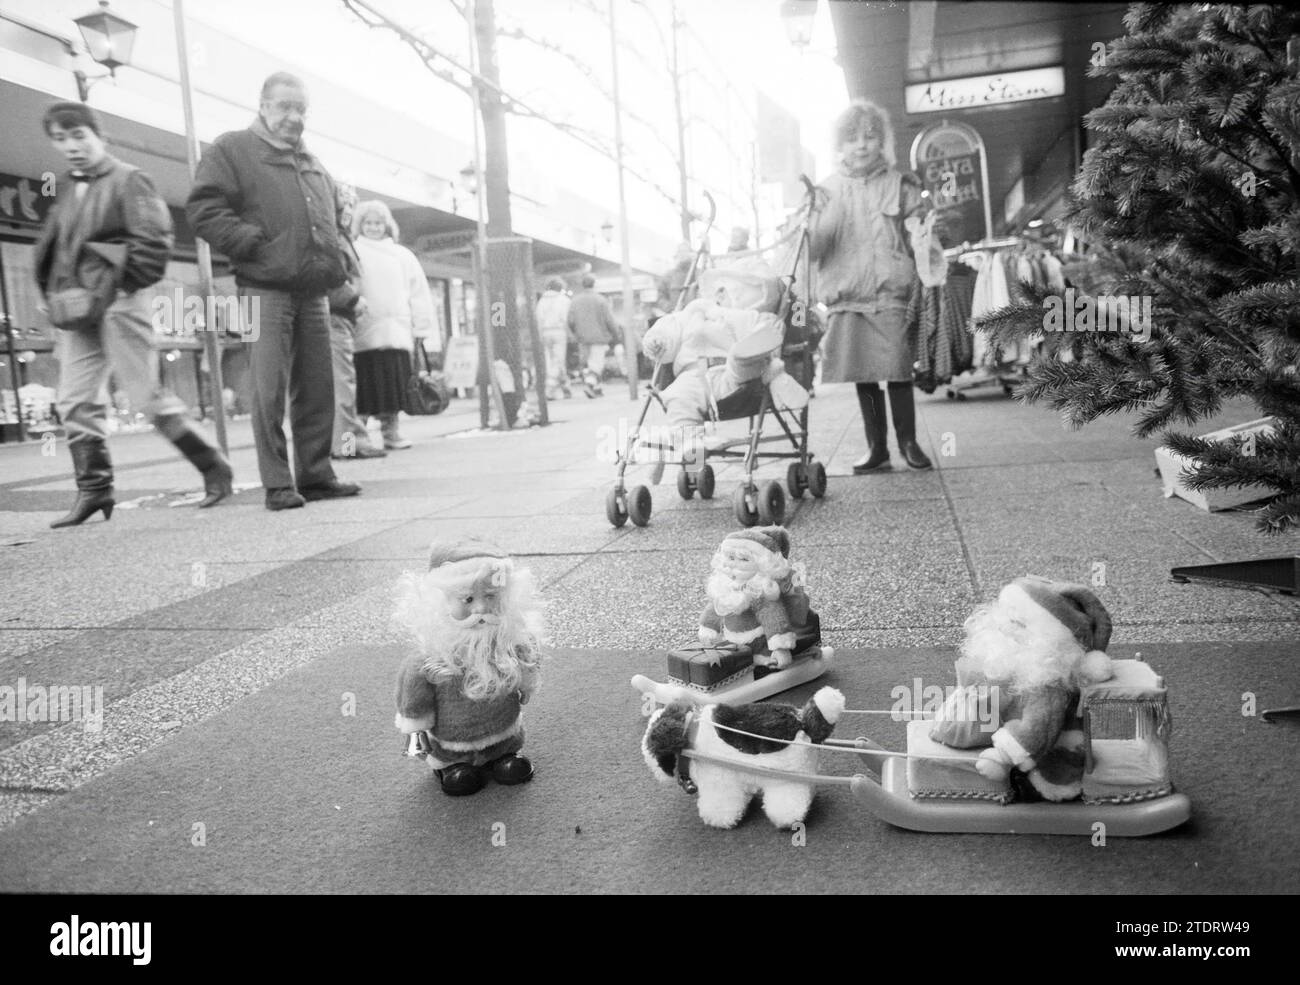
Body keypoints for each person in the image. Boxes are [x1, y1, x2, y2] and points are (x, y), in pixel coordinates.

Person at [34, 101, 233, 528]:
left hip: (121, 299)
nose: (70, 146)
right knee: (74, 399)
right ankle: (94, 491)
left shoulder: (128, 179)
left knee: (144, 395)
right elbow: (60, 248)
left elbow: (155, 240)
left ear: (98, 136)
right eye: (61, 138)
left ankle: (213, 467)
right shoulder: (67, 186)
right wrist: (51, 292)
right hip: (75, 307)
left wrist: (123, 284)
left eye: (78, 135)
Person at [186, 71, 360, 510]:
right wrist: (252, 244)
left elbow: (332, 225)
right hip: (263, 287)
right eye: (284, 106)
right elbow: (204, 210)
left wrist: (337, 269)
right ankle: (278, 483)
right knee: (268, 388)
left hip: (313, 290)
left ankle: (316, 475)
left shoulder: (313, 163)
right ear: (263, 105)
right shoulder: (232, 149)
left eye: (301, 108)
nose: (294, 116)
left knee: (318, 387)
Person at [808, 99, 933, 472]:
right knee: (863, 373)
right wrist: (812, 226)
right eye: (852, 139)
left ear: (882, 142)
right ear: (840, 146)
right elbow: (812, 248)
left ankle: (908, 442)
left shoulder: (900, 184)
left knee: (896, 367)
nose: (861, 145)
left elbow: (921, 233)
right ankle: (876, 447)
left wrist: (925, 235)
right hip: (847, 293)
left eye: (870, 137)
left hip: (890, 290)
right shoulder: (826, 191)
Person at [351, 200, 436, 450]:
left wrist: (421, 328)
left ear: (387, 225)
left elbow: (418, 293)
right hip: (363, 333)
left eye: (378, 223)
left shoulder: (403, 255)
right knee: (360, 391)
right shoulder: (354, 252)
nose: (374, 228)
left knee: (393, 387)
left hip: (397, 333)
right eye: (368, 223)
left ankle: (391, 434)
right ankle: (354, 441)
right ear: (360, 225)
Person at [327, 182, 385, 460]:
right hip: (336, 318)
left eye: (351, 204)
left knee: (340, 384)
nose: (347, 210)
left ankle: (343, 444)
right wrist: (353, 300)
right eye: (342, 204)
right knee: (343, 385)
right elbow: (331, 277)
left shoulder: (340, 237)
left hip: (341, 319)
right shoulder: (333, 238)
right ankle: (350, 445)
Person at [566, 274, 621, 397]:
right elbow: (609, 320)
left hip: (582, 338)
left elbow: (570, 321)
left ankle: (597, 388)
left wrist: (576, 334)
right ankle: (590, 385)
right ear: (594, 284)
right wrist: (616, 334)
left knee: (587, 363)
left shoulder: (575, 301)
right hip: (599, 337)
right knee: (596, 363)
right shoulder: (600, 300)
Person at [535, 277, 572, 400]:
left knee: (549, 360)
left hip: (545, 332)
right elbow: (566, 318)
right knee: (558, 360)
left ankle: (566, 386)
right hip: (559, 331)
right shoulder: (564, 300)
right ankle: (550, 389)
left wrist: (540, 334)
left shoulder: (542, 301)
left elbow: (538, 319)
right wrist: (570, 333)